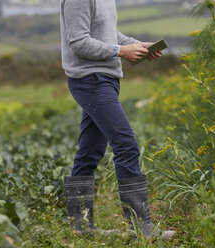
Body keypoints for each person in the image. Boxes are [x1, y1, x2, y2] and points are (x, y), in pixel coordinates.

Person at [60, 0, 175, 240]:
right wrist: (121, 52)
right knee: (126, 144)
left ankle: (80, 228)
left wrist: (136, 45)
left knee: (90, 151)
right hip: (89, 80)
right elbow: (78, 42)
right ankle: (141, 228)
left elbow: (108, 33)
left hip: (106, 79)